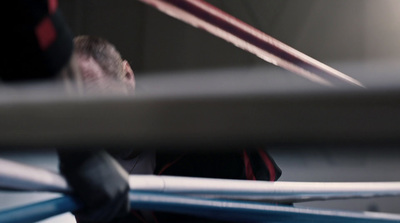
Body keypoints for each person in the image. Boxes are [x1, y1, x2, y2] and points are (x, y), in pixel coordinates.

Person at [6, 1, 282, 222]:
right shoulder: (86, 173)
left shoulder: (205, 134)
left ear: (127, 76)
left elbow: (272, 202)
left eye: (103, 107)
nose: (98, 130)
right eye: (80, 115)